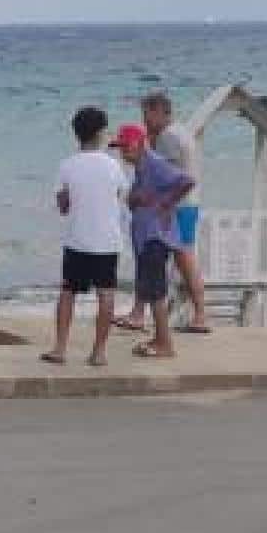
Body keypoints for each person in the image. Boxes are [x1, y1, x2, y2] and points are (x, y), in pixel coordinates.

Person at [47, 107, 125, 368]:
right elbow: (119, 195)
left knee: (68, 292)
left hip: (77, 238)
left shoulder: (67, 165)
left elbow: (63, 205)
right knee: (106, 294)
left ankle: (60, 348)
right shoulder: (113, 165)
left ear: (76, 134)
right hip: (107, 240)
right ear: (102, 133)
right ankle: (99, 352)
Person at [114, 123, 194, 360]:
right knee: (151, 290)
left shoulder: (154, 163)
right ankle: (159, 338)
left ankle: (165, 344)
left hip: (155, 236)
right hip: (147, 236)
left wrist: (167, 203)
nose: (122, 152)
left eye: (126, 147)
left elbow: (186, 181)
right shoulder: (141, 167)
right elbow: (139, 197)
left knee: (156, 291)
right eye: (120, 148)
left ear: (140, 144)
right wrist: (135, 199)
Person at [140, 91, 213, 334]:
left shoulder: (168, 137)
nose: (145, 121)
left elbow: (167, 175)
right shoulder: (180, 132)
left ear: (160, 112)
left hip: (178, 206)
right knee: (179, 259)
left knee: (183, 260)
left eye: (147, 115)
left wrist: (163, 204)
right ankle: (147, 312)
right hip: (187, 204)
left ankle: (200, 314)